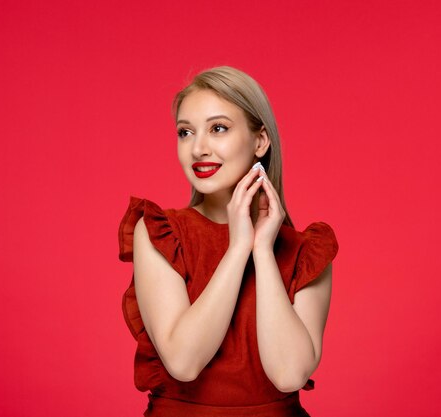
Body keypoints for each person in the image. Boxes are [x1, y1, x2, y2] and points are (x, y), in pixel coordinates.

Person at [118, 66, 339, 417]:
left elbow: (289, 374)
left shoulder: (306, 252)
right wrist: (237, 250)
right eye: (185, 132)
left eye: (218, 128)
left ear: (260, 141)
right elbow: (183, 362)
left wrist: (263, 251)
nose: (198, 148)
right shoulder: (162, 233)